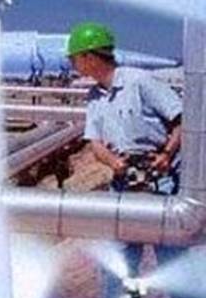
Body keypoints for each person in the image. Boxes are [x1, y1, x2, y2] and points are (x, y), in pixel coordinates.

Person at [70, 21, 183, 200]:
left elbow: (182, 120)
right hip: (123, 181)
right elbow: (95, 142)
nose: (72, 64)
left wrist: (166, 154)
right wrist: (113, 161)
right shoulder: (94, 96)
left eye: (73, 59)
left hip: (160, 180)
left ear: (89, 58)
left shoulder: (139, 81)